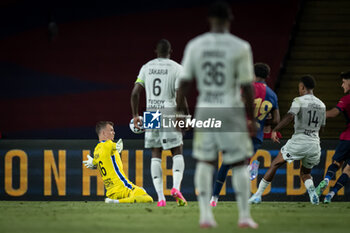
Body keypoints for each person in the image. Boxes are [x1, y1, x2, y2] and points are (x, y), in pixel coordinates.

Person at [176, 1, 258, 229]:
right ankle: (244, 216)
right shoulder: (241, 47)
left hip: (206, 108)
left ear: (209, 19)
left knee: (205, 160)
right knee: (240, 162)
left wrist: (180, 114)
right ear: (230, 19)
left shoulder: (196, 45)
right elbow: (248, 86)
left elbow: (184, 83)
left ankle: (205, 216)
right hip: (231, 108)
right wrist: (250, 118)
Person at [210, 62, 280, 207]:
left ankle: (214, 199)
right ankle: (247, 169)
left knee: (226, 164)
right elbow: (277, 119)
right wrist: (267, 124)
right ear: (267, 76)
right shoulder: (272, 95)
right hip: (256, 136)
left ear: (253, 74)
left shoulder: (246, 88)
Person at [249, 75, 326, 205]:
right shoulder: (322, 105)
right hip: (315, 144)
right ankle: (313, 193)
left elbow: (290, 116)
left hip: (299, 141)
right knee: (306, 173)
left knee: (275, 164)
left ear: (302, 87)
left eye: (299, 88)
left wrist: (275, 129)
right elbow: (322, 128)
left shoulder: (299, 100)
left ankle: (257, 195)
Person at [130, 39, 188, 207]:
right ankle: (176, 188)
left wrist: (135, 115)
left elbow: (135, 93)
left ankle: (160, 198)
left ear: (156, 50)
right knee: (177, 150)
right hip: (169, 110)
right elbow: (180, 95)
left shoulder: (146, 67)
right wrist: (183, 115)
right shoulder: (177, 68)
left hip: (152, 113)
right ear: (171, 51)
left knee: (156, 153)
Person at [83, 121, 153, 204]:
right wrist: (117, 146)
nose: (114, 132)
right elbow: (113, 146)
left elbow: (95, 163)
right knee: (148, 199)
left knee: (140, 190)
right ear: (104, 133)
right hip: (122, 186)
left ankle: (114, 200)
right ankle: (117, 202)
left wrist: (93, 163)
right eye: (111, 130)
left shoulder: (96, 150)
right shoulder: (108, 144)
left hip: (111, 192)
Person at [315, 71, 350, 203]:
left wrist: (317, 113)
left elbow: (334, 113)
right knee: (348, 170)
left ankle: (326, 180)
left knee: (336, 163)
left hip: (348, 138)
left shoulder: (346, 99)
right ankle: (331, 194)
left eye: (344, 82)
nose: (342, 85)